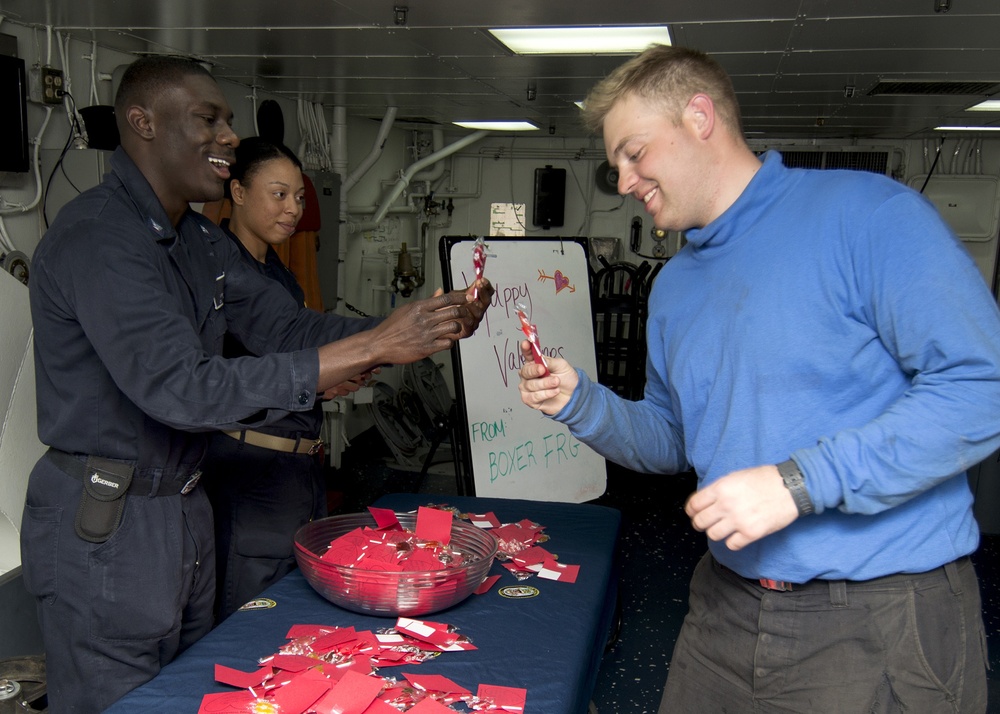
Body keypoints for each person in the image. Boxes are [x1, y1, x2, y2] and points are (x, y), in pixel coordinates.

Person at [519, 44, 1000, 712]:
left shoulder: (865, 216)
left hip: (878, 610)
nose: (623, 180)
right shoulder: (676, 284)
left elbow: (982, 386)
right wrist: (583, 404)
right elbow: (674, 440)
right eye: (615, 164)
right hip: (727, 604)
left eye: (634, 153)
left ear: (699, 116)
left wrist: (801, 483)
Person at [21, 56, 492, 713]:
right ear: (142, 123)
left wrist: (420, 327)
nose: (229, 138)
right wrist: (379, 343)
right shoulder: (102, 238)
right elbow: (183, 388)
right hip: (114, 521)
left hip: (184, 506)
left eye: (229, 122)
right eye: (208, 120)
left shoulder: (195, 241)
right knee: (117, 699)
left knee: (188, 692)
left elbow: (288, 329)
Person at [199, 136, 356, 622]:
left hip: (299, 469)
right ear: (239, 193)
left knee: (296, 606)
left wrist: (327, 381)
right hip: (252, 469)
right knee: (251, 614)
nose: (293, 210)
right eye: (279, 194)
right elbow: (228, 374)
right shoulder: (215, 268)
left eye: (301, 198)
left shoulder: (280, 275)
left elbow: (293, 357)